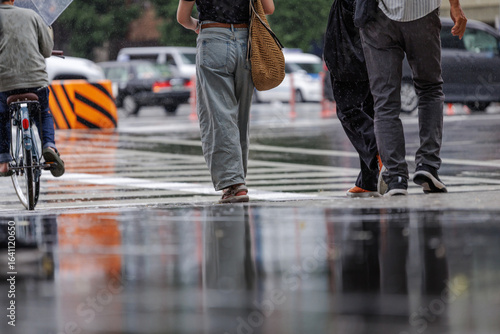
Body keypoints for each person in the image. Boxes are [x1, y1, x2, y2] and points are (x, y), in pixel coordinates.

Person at [359, 0, 466, 196]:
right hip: (422, 12)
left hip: (379, 17)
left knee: (385, 101)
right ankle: (428, 164)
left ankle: (396, 177)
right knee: (430, 88)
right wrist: (455, 6)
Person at [177, 0, 275, 203]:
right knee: (240, 117)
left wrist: (196, 25)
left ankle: (233, 183)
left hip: (213, 41)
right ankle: (238, 181)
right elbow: (268, 8)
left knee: (219, 116)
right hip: (247, 43)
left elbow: (182, 18)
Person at [323, 0, 384, 197]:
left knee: (348, 109)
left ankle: (379, 150)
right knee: (367, 107)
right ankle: (369, 178)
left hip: (349, 43)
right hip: (371, 37)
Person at [0, 0, 65, 177]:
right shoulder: (33, 15)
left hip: (5, 83)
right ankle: (49, 146)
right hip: (35, 80)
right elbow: (46, 50)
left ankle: (4, 161)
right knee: (43, 113)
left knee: (2, 115)